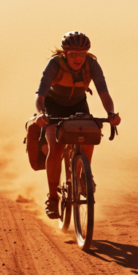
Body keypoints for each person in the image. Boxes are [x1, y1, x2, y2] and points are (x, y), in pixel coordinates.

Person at [35, 31, 121, 219]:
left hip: (78, 105)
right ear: (65, 53)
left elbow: (104, 94)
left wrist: (111, 114)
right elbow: (40, 95)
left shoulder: (91, 65)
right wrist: (43, 115)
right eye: (73, 54)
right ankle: (52, 197)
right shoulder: (54, 64)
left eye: (82, 54)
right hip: (54, 107)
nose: (78, 58)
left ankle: (84, 175)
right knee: (56, 148)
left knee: (90, 134)